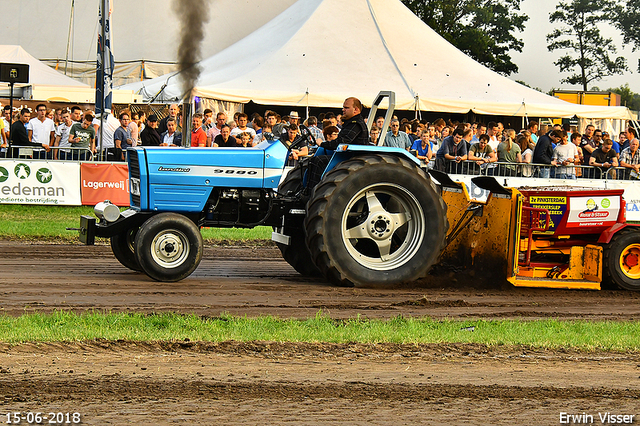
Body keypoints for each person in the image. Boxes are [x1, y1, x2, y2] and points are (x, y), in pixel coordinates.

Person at [307, 97, 368, 190]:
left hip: (351, 158)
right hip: (347, 156)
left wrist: (322, 144)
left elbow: (341, 142)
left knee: (318, 161)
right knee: (311, 160)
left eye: (346, 108)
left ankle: (312, 192)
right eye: (343, 107)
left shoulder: (355, 124)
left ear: (356, 110)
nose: (343, 110)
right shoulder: (351, 123)